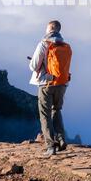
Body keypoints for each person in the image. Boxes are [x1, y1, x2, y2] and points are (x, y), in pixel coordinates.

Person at [29, 20, 72, 157]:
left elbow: (34, 66)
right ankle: (61, 140)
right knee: (56, 110)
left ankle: (50, 146)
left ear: (48, 30)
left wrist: (33, 62)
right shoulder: (66, 46)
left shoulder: (44, 44)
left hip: (46, 84)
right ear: (58, 30)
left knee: (45, 114)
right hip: (62, 83)